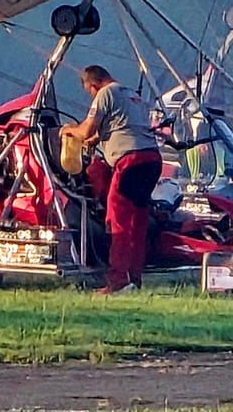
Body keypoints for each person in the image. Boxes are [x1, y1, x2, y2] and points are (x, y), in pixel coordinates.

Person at [62, 65, 162, 294]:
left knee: (118, 222)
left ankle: (117, 281)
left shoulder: (105, 93)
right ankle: (133, 279)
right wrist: (97, 139)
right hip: (151, 159)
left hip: (129, 161)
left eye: (89, 91)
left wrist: (68, 131)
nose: (91, 95)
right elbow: (120, 128)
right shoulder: (130, 95)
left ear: (93, 85)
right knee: (137, 222)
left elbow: (85, 130)